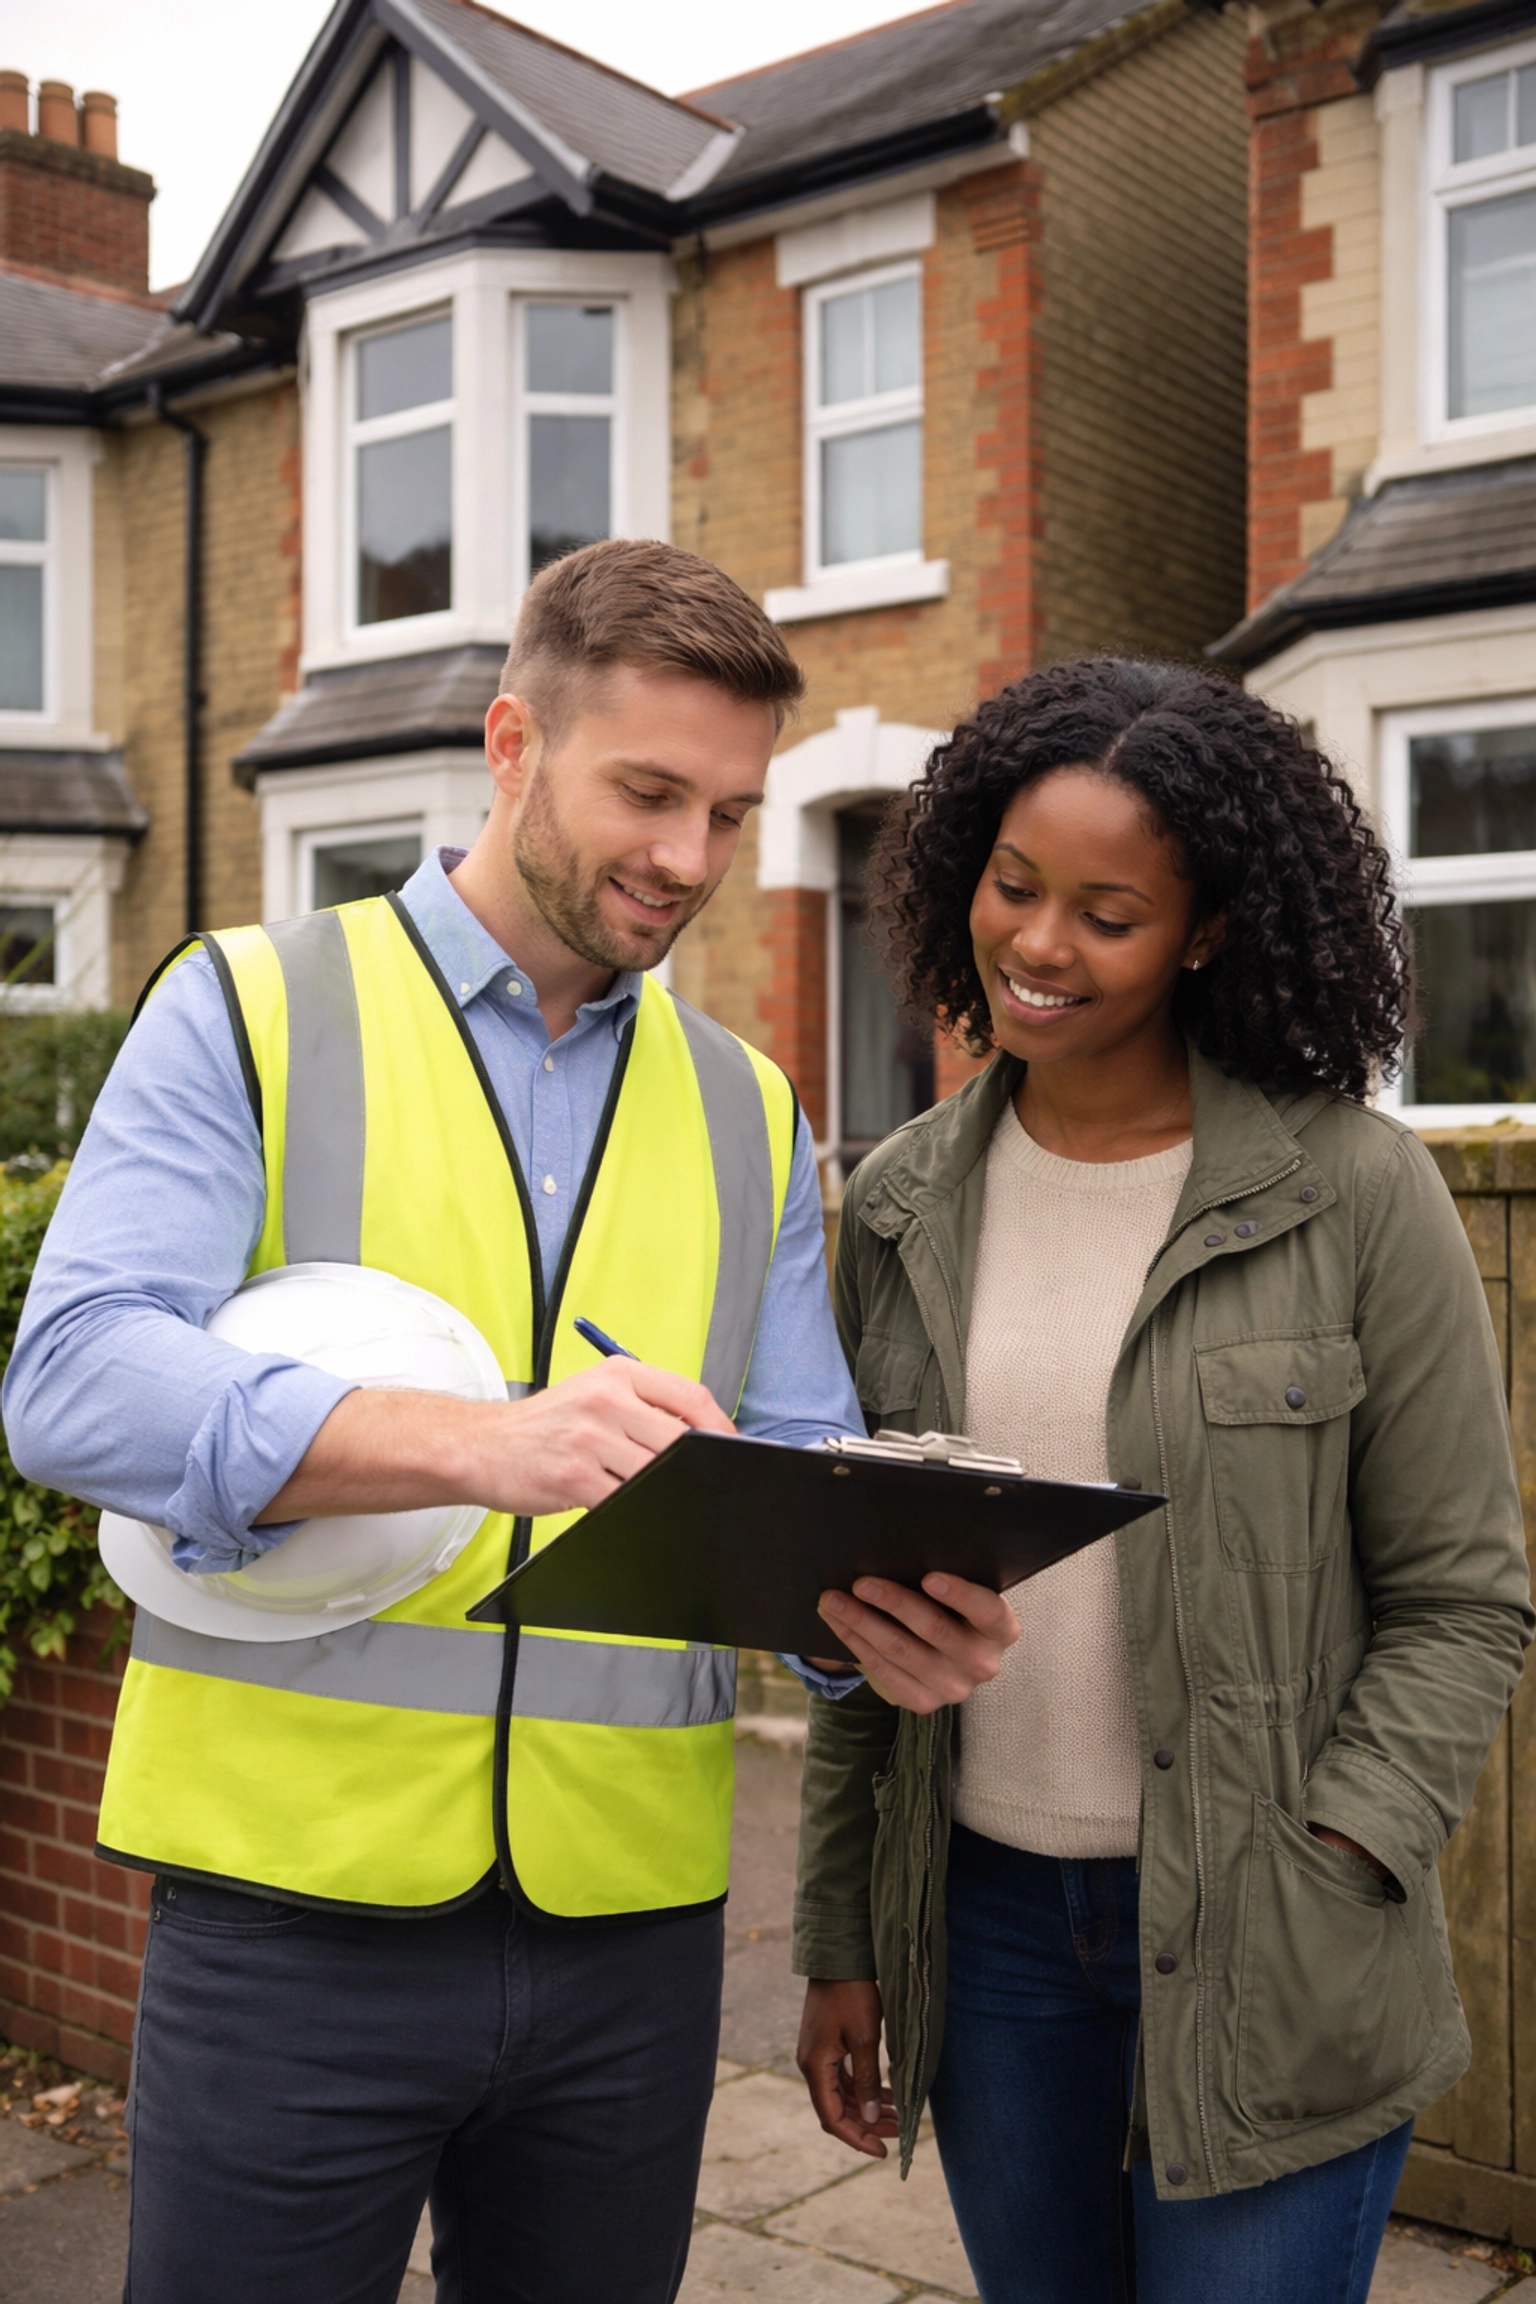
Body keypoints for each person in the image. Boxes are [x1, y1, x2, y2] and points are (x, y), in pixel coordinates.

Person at [2, 540, 1015, 2304]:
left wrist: (874, 1623)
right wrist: (478, 1442)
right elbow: (74, 1378)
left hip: (629, 1939)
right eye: (646, 792)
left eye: (726, 811)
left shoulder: (750, 1111)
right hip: (287, 1908)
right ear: (510, 742)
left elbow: (787, 1470)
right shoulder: (252, 1005)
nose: (687, 860)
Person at [792, 658, 1534, 2304]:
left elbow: (1464, 1599)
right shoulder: (903, 1202)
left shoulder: (1353, 1191)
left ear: (1206, 931)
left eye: (1108, 912)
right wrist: (842, 1936)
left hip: (1275, 1929)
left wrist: (1341, 1851)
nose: (1041, 944)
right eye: (1014, 884)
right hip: (984, 1934)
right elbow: (853, 1606)